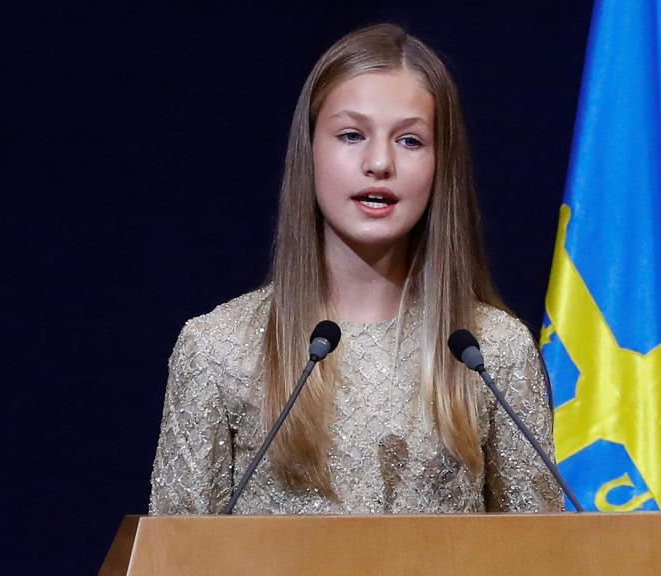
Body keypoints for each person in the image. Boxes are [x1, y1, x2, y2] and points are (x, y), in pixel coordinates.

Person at [149, 23, 562, 515]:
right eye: (351, 135)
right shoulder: (219, 349)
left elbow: (539, 554)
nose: (379, 162)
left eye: (410, 140)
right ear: (310, 152)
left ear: (440, 166)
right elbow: (173, 556)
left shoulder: (493, 352)